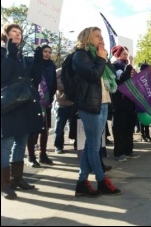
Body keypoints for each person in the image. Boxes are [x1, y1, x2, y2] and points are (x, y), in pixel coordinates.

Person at [72, 26, 120, 197]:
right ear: (87, 38)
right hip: (90, 104)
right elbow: (92, 74)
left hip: (104, 103)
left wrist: (105, 58)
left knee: (91, 145)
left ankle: (81, 183)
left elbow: (113, 74)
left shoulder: (99, 56)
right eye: (97, 36)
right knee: (93, 146)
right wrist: (100, 59)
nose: (101, 38)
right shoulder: (80, 55)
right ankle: (101, 181)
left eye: (101, 36)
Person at [1, 23, 43, 200]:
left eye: (19, 33)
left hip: (24, 105)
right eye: (14, 32)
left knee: (21, 142)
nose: (17, 35)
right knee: (6, 144)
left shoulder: (22, 57)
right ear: (6, 35)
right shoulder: (4, 54)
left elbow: (35, 78)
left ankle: (17, 178)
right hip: (9, 107)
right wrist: (10, 54)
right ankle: (5, 184)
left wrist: (39, 57)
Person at [27, 44, 57, 167]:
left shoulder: (52, 65)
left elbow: (54, 82)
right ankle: (31, 156)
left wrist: (50, 98)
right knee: (33, 130)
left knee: (45, 130)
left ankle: (43, 154)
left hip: (46, 101)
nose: (47, 54)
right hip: (34, 102)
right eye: (45, 51)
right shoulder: (34, 63)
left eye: (49, 52)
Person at [110, 45, 139, 161]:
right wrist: (129, 65)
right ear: (117, 55)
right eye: (123, 54)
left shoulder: (130, 67)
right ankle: (119, 152)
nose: (126, 56)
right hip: (119, 102)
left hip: (130, 102)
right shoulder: (114, 67)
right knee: (119, 128)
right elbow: (122, 80)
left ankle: (128, 149)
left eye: (127, 54)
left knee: (129, 127)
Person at [53, 67, 75, 154]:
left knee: (73, 125)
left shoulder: (75, 70)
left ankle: (73, 140)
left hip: (73, 103)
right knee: (59, 127)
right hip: (61, 104)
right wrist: (68, 85)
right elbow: (55, 84)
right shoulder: (58, 72)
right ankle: (58, 146)